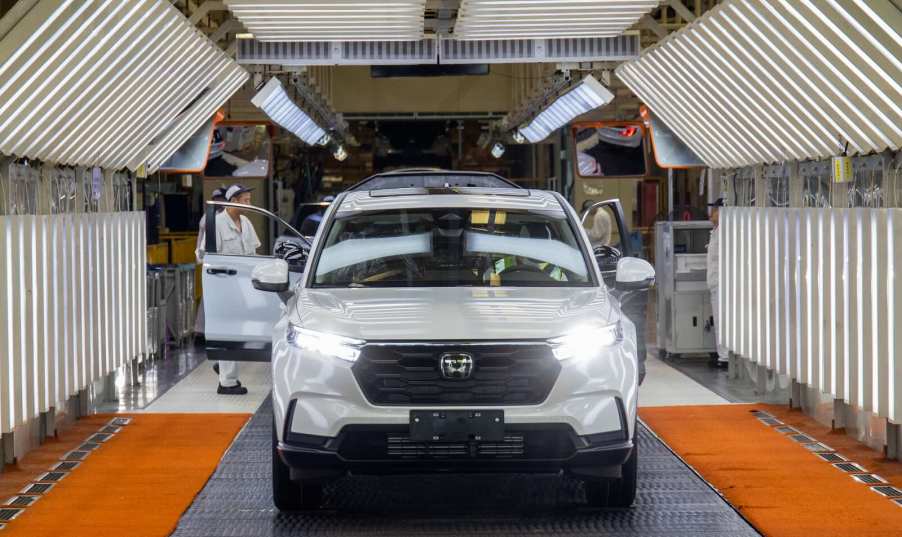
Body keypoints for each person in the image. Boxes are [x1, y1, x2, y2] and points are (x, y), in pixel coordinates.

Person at [199, 184, 262, 394]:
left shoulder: (246, 222)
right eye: (245, 200)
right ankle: (227, 381)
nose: (249, 204)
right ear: (233, 201)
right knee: (229, 331)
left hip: (244, 287)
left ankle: (224, 363)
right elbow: (202, 254)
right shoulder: (216, 224)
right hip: (223, 286)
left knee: (239, 331)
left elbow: (253, 253)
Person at [194, 186, 227, 340]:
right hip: (210, 263)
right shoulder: (209, 217)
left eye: (222, 199)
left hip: (218, 263)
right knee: (209, 297)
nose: (221, 202)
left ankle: (209, 330)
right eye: (218, 199)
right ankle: (201, 331)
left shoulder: (222, 216)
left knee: (216, 298)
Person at [707, 198, 729, 367]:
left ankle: (725, 358)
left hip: (723, 283)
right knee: (719, 319)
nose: (711, 213)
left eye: (714, 210)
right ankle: (722, 354)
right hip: (716, 282)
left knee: (722, 321)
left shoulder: (725, 232)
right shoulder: (716, 231)